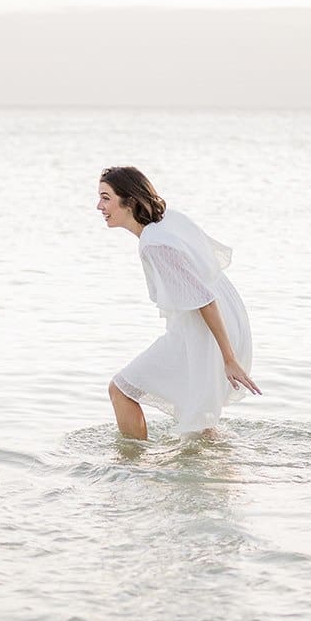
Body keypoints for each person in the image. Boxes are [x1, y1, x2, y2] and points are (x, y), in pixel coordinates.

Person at [97, 165, 259, 440]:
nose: (99, 206)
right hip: (221, 317)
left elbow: (204, 299)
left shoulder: (154, 243)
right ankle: (223, 470)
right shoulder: (168, 220)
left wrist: (228, 358)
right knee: (198, 422)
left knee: (121, 389)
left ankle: (134, 468)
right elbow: (212, 265)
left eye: (106, 197)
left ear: (130, 201)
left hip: (205, 328)